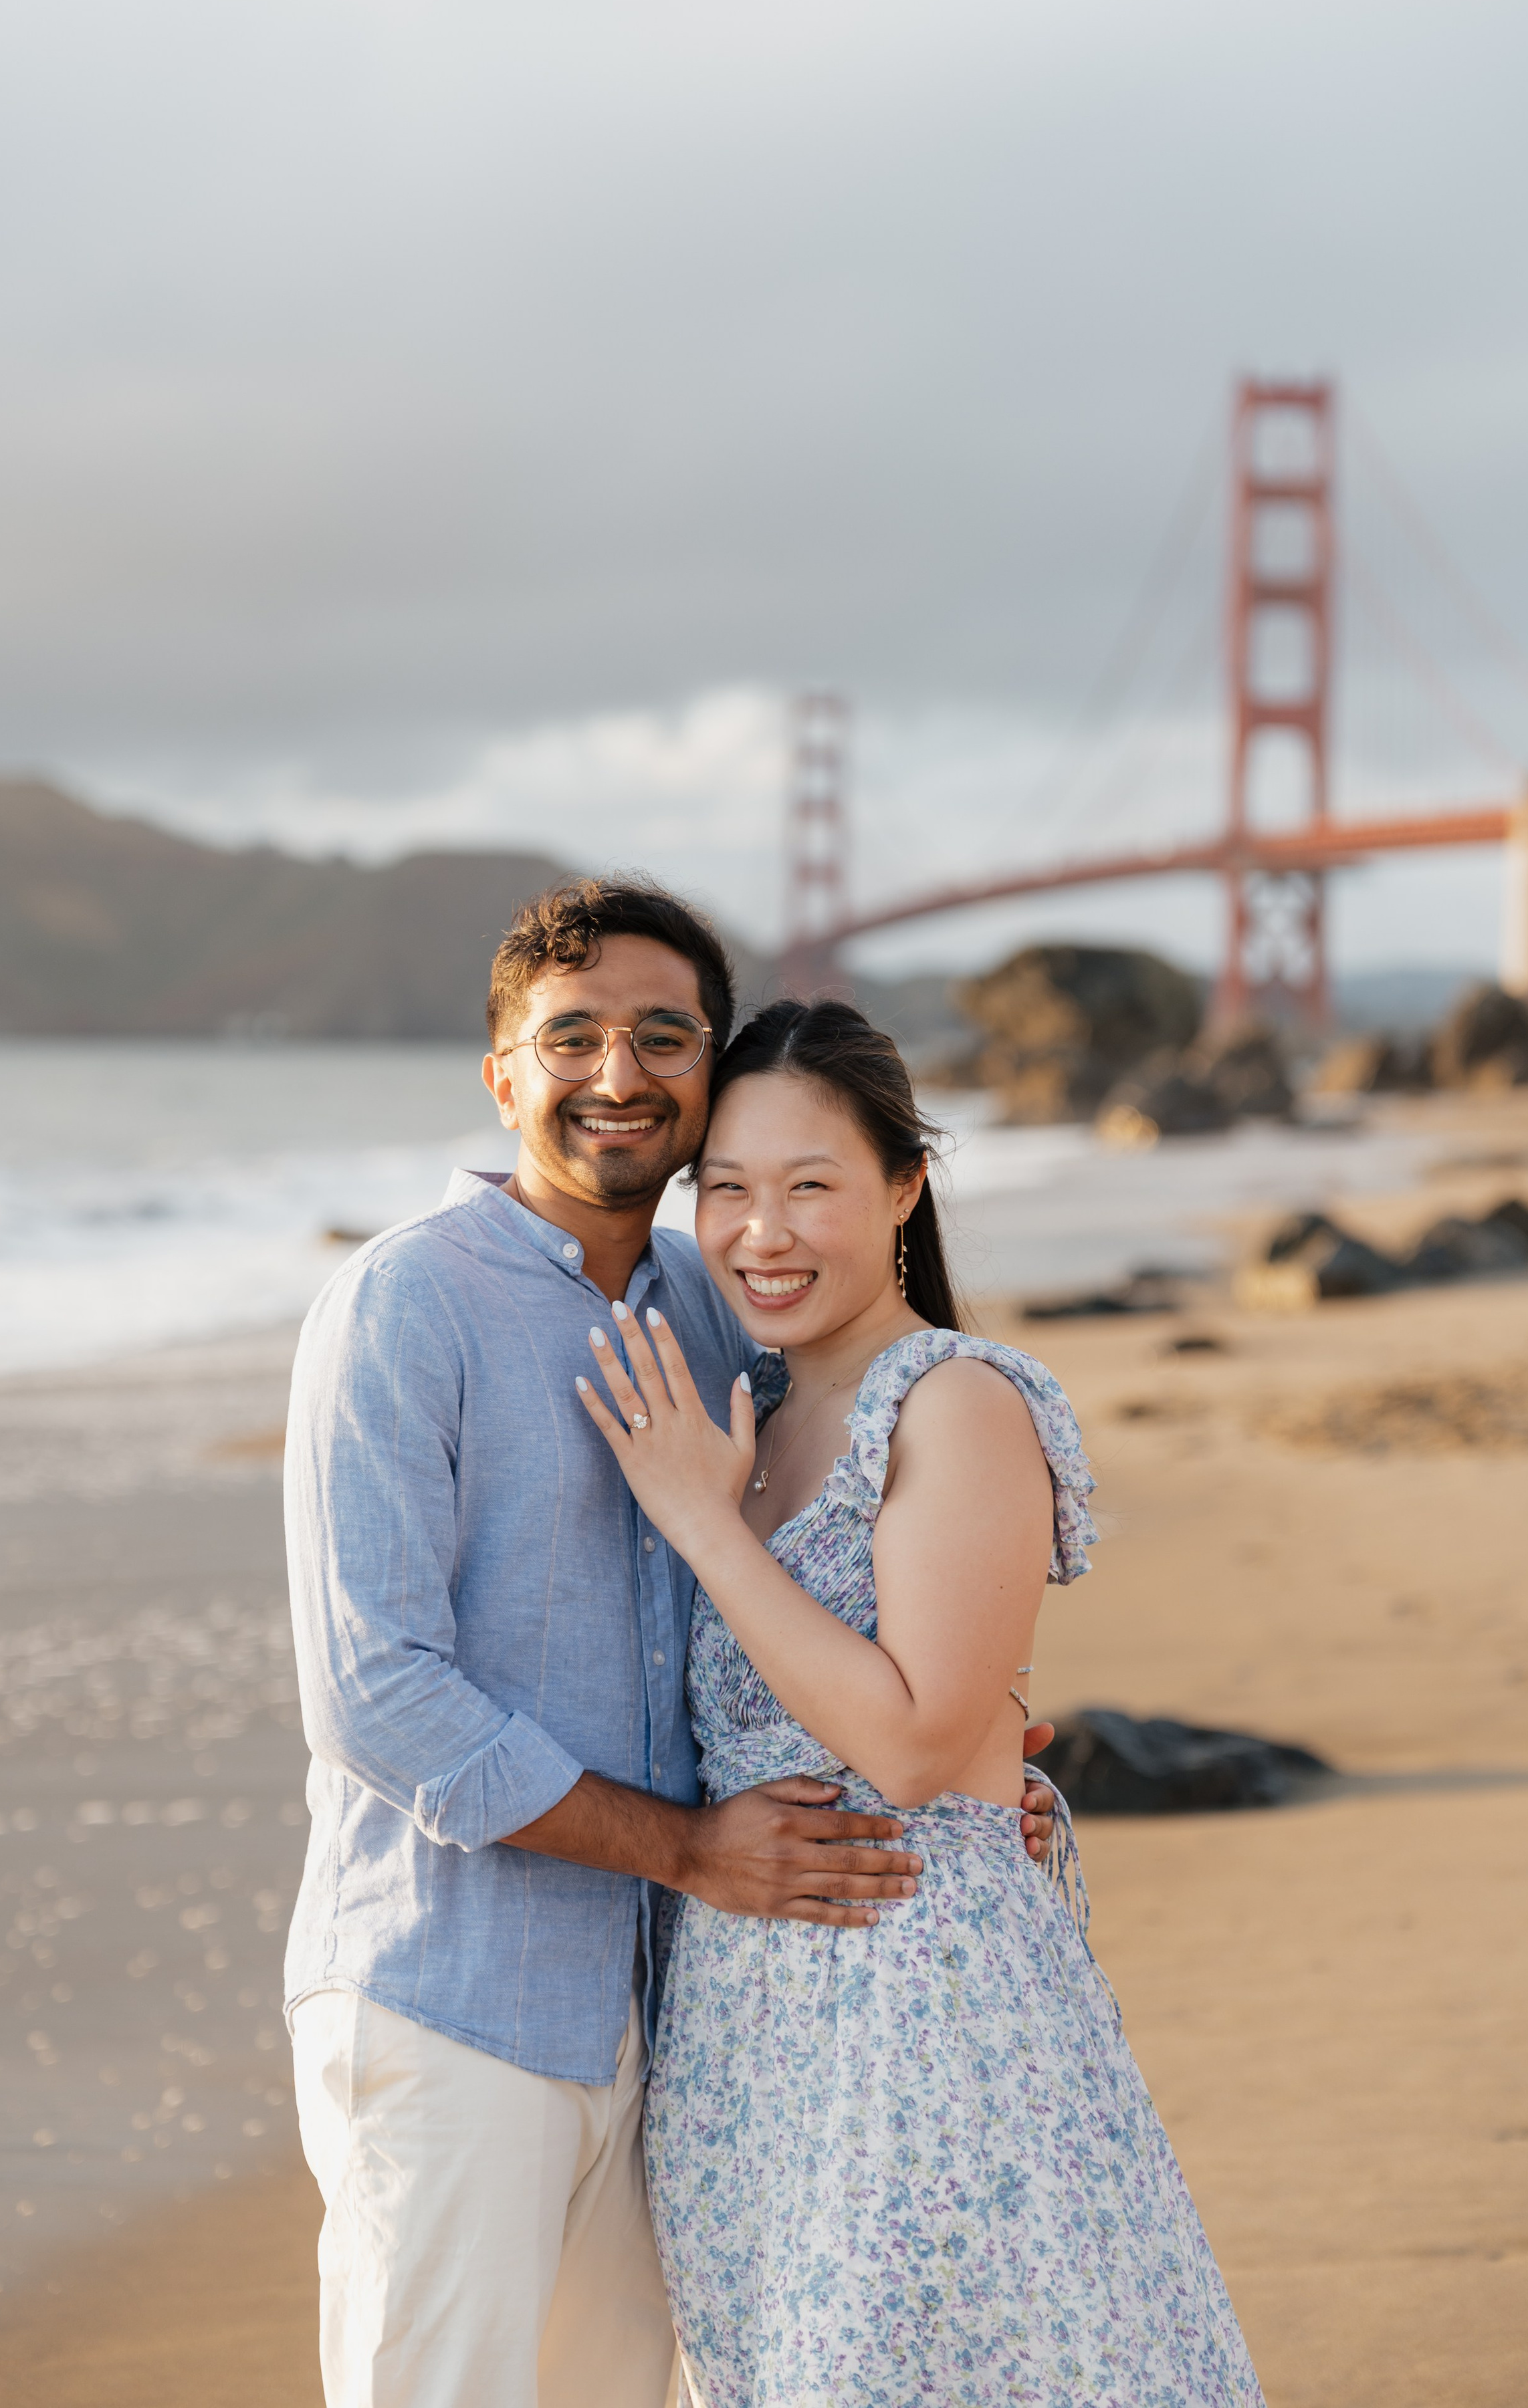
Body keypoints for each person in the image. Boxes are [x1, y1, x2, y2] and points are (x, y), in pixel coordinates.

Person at [282, 878, 1058, 2408]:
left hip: (675, 2020)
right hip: (454, 1997)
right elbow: (374, 1696)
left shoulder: (721, 1304)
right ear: (501, 1074)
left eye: (659, 1035)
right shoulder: (399, 1308)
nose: (617, 1074)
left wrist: (968, 1766)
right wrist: (691, 1852)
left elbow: (842, 1576)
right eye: (568, 1038)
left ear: (707, 1072)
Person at [576, 997, 1266, 2407]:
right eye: (726, 1191)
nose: (760, 1235)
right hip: (743, 2046)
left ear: (903, 1186)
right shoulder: (742, 1414)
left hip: (921, 2009)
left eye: (808, 1187)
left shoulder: (951, 1403)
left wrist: (700, 1525)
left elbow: (909, 1740)